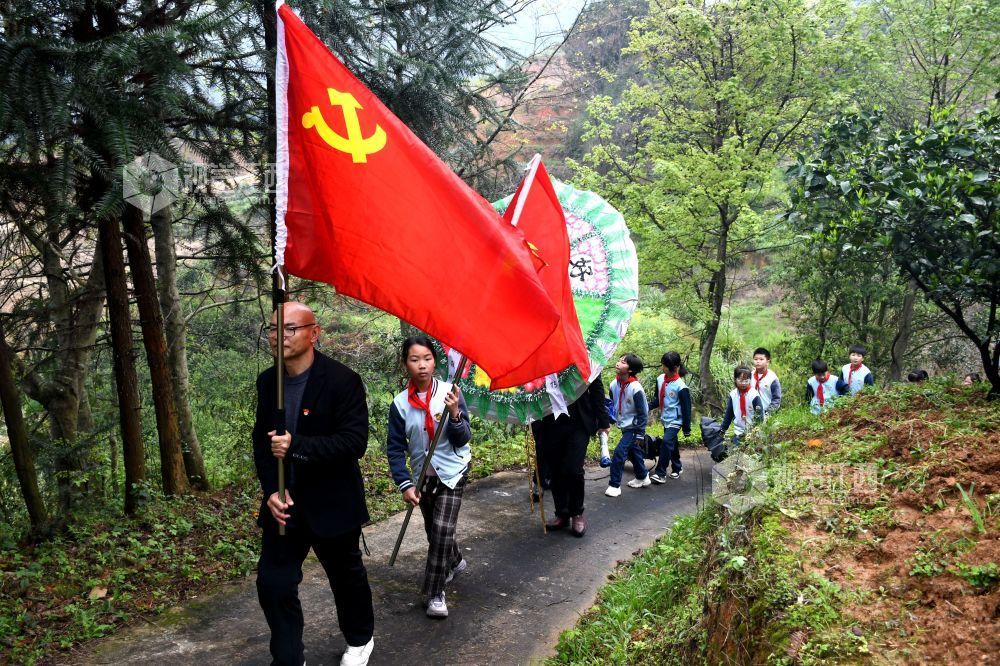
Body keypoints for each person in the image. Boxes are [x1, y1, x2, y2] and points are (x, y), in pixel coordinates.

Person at [253, 302, 375, 666]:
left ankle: (360, 639)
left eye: (290, 328)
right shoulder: (267, 381)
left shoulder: (342, 380)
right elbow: (262, 440)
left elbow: (355, 442)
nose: (279, 336)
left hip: (331, 501)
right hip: (284, 502)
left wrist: (298, 446)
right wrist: (270, 491)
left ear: (314, 333)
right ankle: (289, 657)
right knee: (273, 583)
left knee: (345, 576)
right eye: (274, 328)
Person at [386, 336, 472, 620]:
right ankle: (455, 561)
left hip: (452, 472)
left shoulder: (450, 393)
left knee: (441, 532)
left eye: (427, 359)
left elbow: (463, 440)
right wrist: (405, 483)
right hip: (423, 476)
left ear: (435, 361)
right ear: (405, 364)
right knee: (434, 529)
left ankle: (434, 593)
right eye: (414, 360)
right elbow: (396, 449)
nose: (421, 366)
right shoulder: (400, 404)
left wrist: (455, 414)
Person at [531, 378, 611, 537]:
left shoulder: (586, 353)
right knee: (555, 469)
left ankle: (576, 513)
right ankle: (562, 512)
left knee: (573, 469)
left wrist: (603, 420)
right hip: (549, 421)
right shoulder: (540, 355)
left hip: (578, 422)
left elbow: (596, 387)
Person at [605, 354, 649, 497]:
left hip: (634, 427)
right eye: (619, 360)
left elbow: (643, 413)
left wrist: (640, 434)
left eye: (623, 362)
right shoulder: (613, 384)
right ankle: (643, 476)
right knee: (632, 451)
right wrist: (608, 420)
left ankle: (614, 485)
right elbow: (612, 404)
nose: (618, 363)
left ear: (630, 370)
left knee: (619, 452)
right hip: (623, 424)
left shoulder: (636, 388)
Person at [649, 352, 691, 483]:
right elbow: (658, 399)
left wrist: (686, 428)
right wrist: (646, 406)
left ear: (677, 367)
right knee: (671, 443)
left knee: (666, 443)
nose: (665, 369)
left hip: (676, 420)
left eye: (668, 367)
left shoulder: (681, 386)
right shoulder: (660, 379)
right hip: (665, 418)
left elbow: (686, 408)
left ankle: (660, 473)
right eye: (664, 366)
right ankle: (677, 467)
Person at [719, 366, 764, 447]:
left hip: (753, 431)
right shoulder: (733, 394)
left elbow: (760, 415)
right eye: (740, 380)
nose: (743, 383)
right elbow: (729, 414)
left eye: (746, 380)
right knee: (735, 452)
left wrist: (756, 431)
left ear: (750, 380)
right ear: (735, 379)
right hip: (738, 432)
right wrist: (723, 429)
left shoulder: (754, 395)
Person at [751, 347, 782, 415]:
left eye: (761, 359)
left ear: (767, 362)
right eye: (755, 359)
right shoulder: (750, 375)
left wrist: (768, 413)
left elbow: (776, 399)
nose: (758, 361)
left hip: (767, 413)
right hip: (752, 413)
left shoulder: (772, 378)